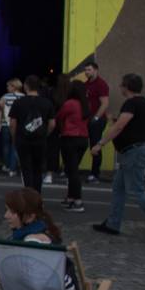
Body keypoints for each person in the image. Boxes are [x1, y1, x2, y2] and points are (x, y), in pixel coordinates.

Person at [91, 73, 145, 243]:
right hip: (135, 151)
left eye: (121, 85)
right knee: (119, 188)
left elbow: (120, 126)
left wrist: (100, 143)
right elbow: (134, 125)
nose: (120, 87)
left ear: (126, 87)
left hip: (134, 152)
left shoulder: (131, 103)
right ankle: (113, 223)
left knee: (136, 191)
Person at [1, 188, 88, 290]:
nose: (6, 215)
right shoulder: (41, 239)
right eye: (7, 210)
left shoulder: (27, 242)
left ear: (30, 217)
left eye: (12, 211)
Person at [10, 75, 54, 195]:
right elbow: (52, 124)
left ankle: (28, 195)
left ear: (26, 86)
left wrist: (14, 138)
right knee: (38, 170)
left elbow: (13, 124)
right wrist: (45, 134)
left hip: (23, 139)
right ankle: (37, 195)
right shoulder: (47, 103)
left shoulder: (18, 103)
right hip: (40, 140)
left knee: (26, 169)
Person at [55, 79, 90, 212]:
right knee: (73, 169)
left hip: (70, 137)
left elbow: (59, 117)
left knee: (72, 171)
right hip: (83, 138)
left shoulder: (70, 103)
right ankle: (70, 197)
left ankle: (77, 200)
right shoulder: (86, 104)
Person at [81, 61, 110, 182]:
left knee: (95, 146)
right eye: (85, 70)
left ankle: (95, 174)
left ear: (96, 70)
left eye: (89, 70)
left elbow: (105, 103)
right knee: (82, 144)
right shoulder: (86, 84)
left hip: (97, 120)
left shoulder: (101, 84)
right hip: (87, 119)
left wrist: (96, 118)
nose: (86, 72)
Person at [0, 78, 23, 178]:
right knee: (14, 146)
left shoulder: (5, 97)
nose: (7, 88)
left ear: (13, 86)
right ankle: (12, 168)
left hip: (5, 124)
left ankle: (7, 165)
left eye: (8, 86)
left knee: (5, 145)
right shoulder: (23, 97)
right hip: (18, 124)